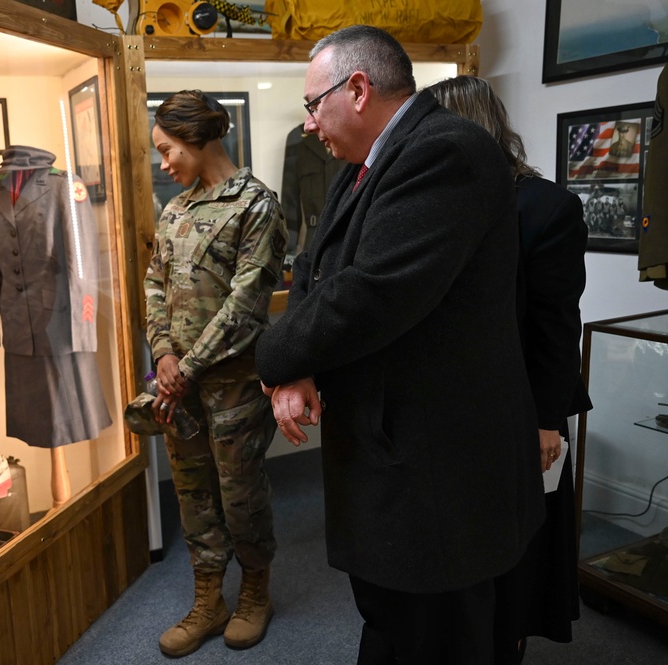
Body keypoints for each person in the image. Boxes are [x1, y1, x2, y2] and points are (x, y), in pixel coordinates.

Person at [254, 26, 545, 665]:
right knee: (393, 622)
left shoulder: (448, 151)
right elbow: (312, 268)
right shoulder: (363, 166)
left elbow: (368, 294)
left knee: (440, 635)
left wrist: (273, 359)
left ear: (357, 89)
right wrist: (299, 367)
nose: (308, 125)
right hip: (395, 457)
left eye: (312, 104)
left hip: (440, 471)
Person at [425, 75, 593, 665]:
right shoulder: (436, 206)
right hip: (454, 410)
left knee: (519, 554)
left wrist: (547, 421)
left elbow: (554, 327)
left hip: (526, 408)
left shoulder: (545, 207)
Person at [144, 90, 287, 657]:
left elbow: (249, 301)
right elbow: (155, 283)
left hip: (233, 386)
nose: (164, 163)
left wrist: (191, 366)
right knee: (193, 493)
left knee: (240, 493)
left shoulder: (257, 204)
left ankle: (255, 593)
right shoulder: (174, 210)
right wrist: (162, 355)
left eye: (168, 150)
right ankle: (209, 599)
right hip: (180, 387)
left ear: (198, 139)